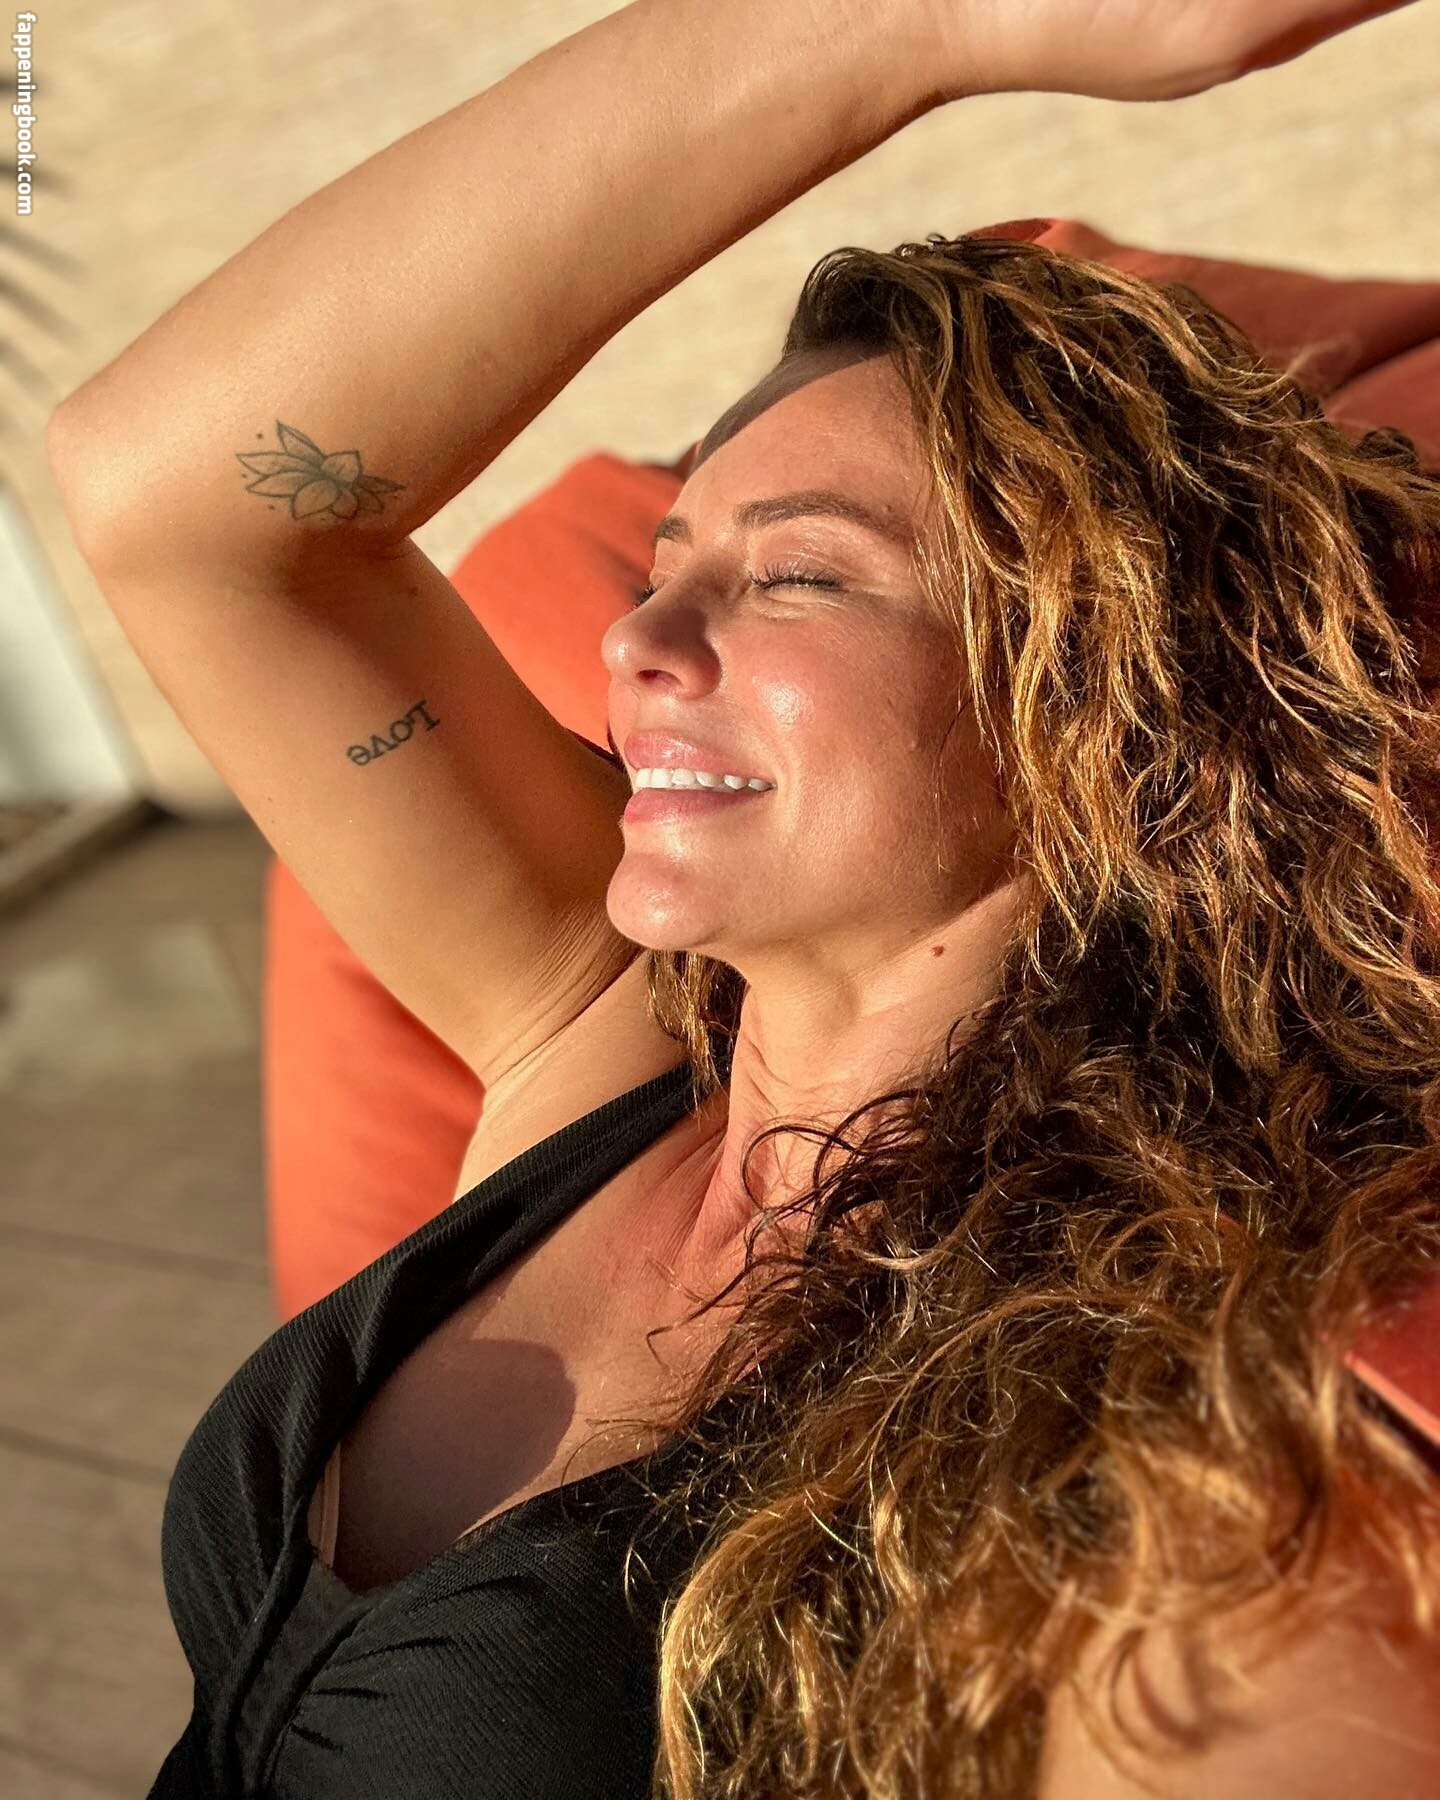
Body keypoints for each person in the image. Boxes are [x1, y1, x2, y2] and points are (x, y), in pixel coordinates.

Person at [45, 0, 1440, 1794]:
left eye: (797, 576)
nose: (636, 638)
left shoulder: (1174, 1426)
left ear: (1099, 702)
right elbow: (179, 494)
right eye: (666, 559)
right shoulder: (616, 1043)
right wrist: (925, 23)